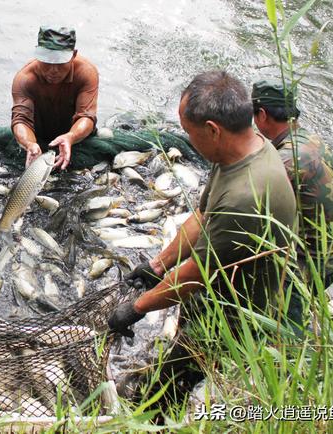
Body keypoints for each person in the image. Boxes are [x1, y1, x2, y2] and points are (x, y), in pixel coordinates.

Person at [108, 71, 296, 404]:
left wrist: (136, 308)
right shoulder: (239, 150)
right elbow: (203, 214)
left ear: (212, 129)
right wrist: (158, 264)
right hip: (214, 287)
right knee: (174, 361)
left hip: (234, 312)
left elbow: (198, 274)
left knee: (167, 388)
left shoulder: (245, 197)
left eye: (189, 133)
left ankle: (156, 420)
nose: (188, 139)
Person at [252, 79, 333, 297]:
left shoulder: (285, 162)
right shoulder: (316, 141)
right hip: (330, 256)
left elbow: (250, 216)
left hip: (308, 268)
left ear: (262, 114)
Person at [11, 26, 99, 170]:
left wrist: (70, 136)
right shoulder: (25, 79)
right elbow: (21, 120)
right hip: (38, 135)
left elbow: (87, 116)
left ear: (73, 55)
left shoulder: (86, 72)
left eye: (59, 62)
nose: (53, 70)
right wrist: (29, 144)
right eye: (47, 61)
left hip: (73, 134)